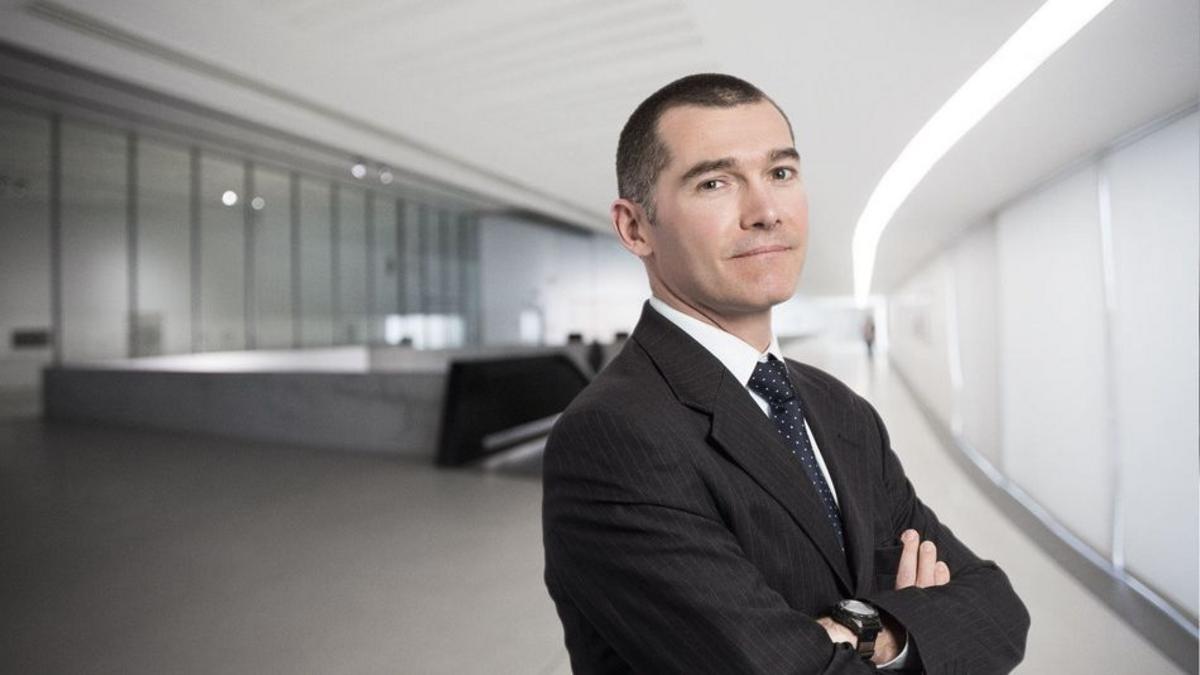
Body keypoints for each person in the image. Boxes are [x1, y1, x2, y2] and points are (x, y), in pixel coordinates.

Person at [541, 74, 1029, 674]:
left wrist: (865, 633)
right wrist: (909, 623)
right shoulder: (614, 436)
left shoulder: (839, 409)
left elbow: (998, 613)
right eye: (714, 183)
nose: (766, 212)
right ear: (635, 228)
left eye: (780, 173)